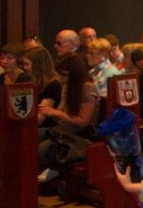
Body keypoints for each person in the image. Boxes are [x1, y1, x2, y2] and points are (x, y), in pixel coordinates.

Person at [37, 53, 100, 182]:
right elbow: (61, 114)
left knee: (38, 151)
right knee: (28, 139)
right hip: (61, 131)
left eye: (64, 75)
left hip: (78, 137)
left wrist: (56, 113)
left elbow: (83, 121)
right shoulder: (67, 86)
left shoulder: (87, 88)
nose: (60, 78)